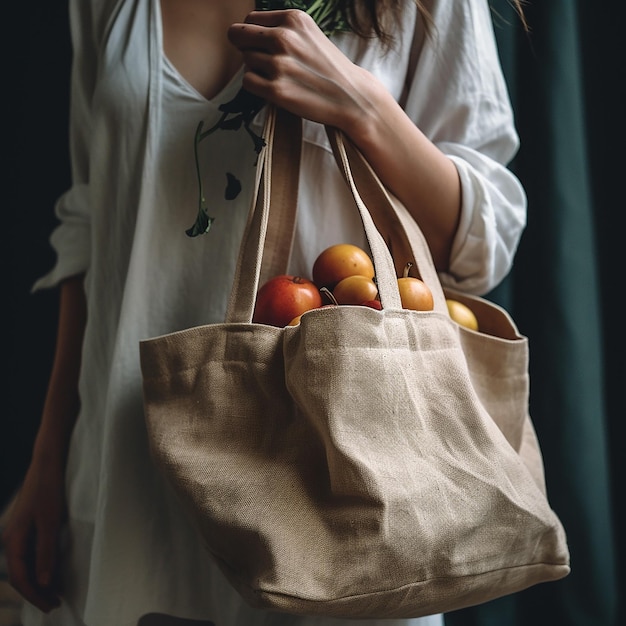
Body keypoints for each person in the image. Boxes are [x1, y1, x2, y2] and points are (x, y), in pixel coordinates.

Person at [1, 1, 528, 625]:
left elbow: (482, 238)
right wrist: (48, 457)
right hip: (128, 466)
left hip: (332, 478)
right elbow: (94, 228)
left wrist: (360, 103)